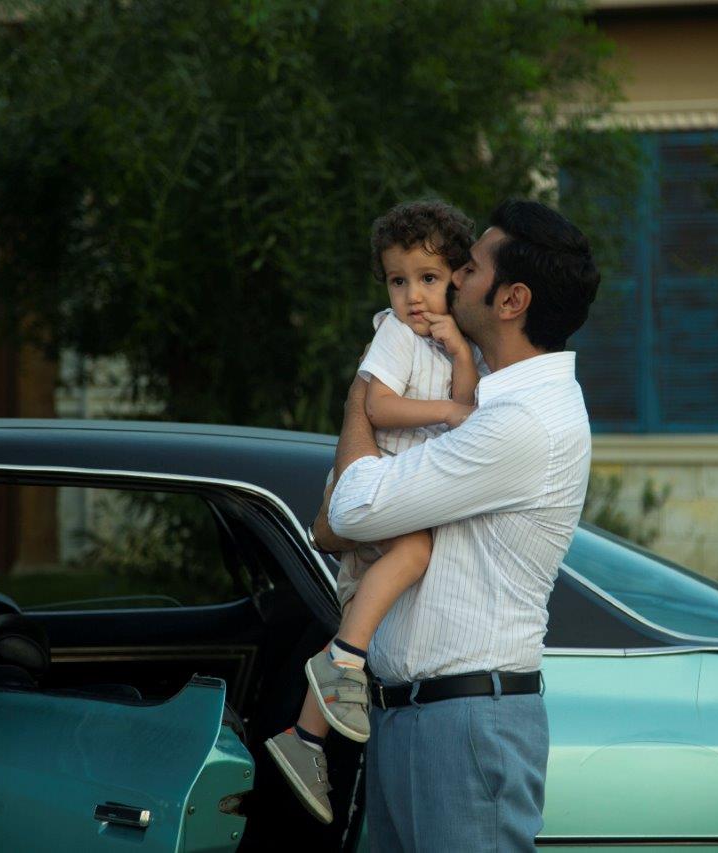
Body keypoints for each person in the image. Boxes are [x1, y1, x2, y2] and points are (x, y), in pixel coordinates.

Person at [312, 199, 599, 851]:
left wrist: (363, 393)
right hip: (409, 714)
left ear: (512, 299)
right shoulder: (480, 393)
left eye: (468, 269)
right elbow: (332, 526)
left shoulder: (520, 422)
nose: (452, 279)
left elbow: (349, 511)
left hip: (466, 724)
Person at [264, 199, 481, 824]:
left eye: (428, 278)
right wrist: (446, 410)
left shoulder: (451, 345)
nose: (413, 295)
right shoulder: (395, 334)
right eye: (398, 280)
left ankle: (304, 737)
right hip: (371, 485)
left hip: (399, 494)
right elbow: (378, 407)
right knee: (413, 553)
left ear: (458, 277)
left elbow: (468, 407)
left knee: (360, 614)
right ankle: (338, 671)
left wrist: (462, 358)